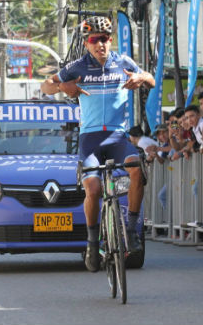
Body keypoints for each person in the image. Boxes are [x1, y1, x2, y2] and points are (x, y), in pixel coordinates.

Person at [40, 16, 155, 272]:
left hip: (118, 136)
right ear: (87, 43)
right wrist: (62, 86)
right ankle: (92, 243)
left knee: (137, 169)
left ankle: (133, 230)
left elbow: (151, 79)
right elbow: (45, 86)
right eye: (94, 40)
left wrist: (141, 79)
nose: (99, 44)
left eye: (103, 39)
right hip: (90, 139)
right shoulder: (77, 66)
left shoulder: (123, 63)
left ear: (110, 40)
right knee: (93, 189)